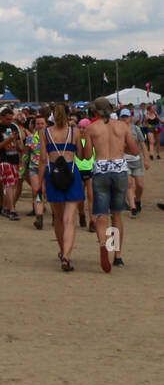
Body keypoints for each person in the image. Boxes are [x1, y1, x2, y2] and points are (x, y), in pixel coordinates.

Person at [85, 98, 137, 271]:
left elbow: (86, 155)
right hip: (119, 168)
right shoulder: (122, 126)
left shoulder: (91, 128)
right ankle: (118, 254)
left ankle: (103, 245)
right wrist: (121, 150)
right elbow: (135, 150)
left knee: (101, 214)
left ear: (95, 111)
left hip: (101, 169)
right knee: (117, 214)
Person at [41, 103, 88, 272]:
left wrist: (40, 183)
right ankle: (67, 256)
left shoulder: (45, 132)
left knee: (58, 218)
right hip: (71, 173)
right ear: (68, 115)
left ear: (53, 115)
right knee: (70, 220)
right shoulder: (75, 132)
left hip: (53, 174)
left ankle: (62, 251)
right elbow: (82, 157)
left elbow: (42, 160)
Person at [122, 108, 149, 217]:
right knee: (129, 184)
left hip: (136, 160)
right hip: (124, 160)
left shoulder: (136, 129)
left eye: (126, 116)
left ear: (130, 117)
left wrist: (146, 159)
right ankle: (133, 207)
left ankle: (137, 200)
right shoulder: (118, 129)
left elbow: (143, 145)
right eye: (122, 117)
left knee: (140, 185)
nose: (124, 119)